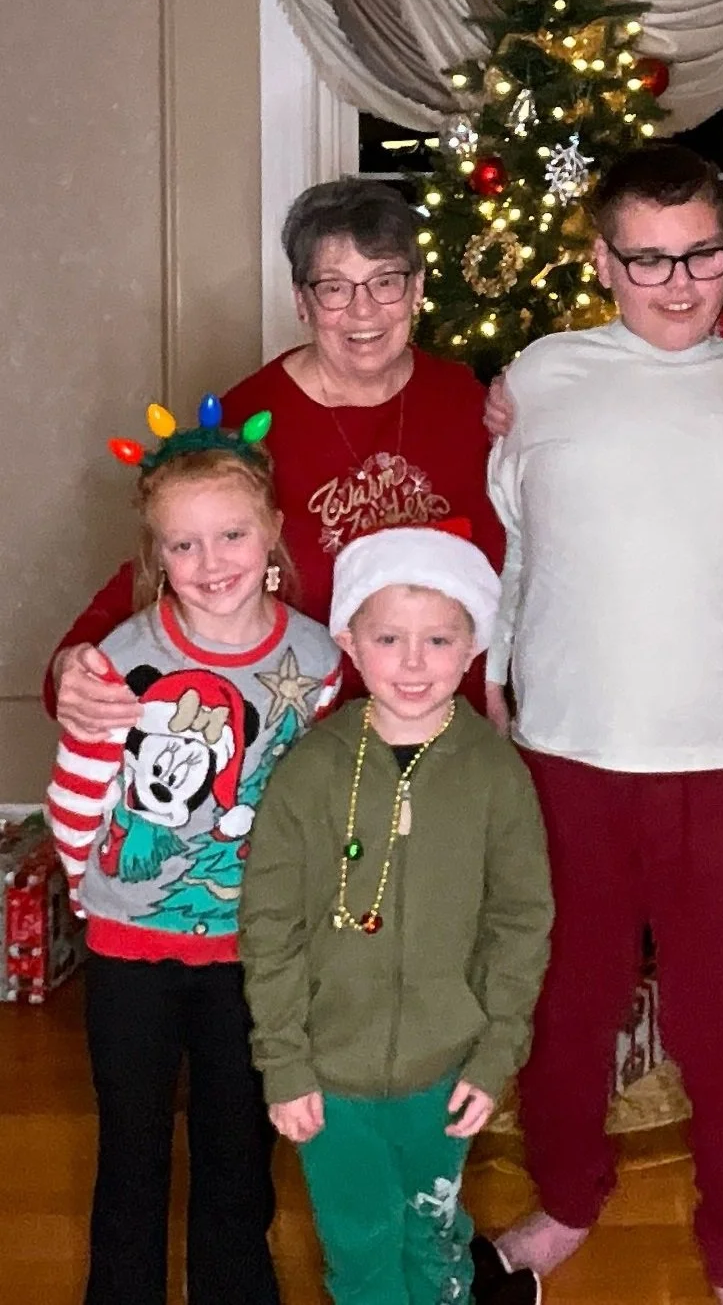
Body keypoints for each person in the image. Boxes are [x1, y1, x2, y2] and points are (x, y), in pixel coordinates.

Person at [485, 145, 723, 1305]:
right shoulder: (544, 372)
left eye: (702, 254)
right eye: (648, 260)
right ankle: (568, 1198)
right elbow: (517, 544)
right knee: (568, 993)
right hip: (569, 745)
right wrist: (497, 666)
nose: (679, 284)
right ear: (602, 259)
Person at [46, 399, 343, 1305]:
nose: (210, 565)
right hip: (130, 952)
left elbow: (323, 807)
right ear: (154, 555)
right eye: (183, 546)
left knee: (238, 1150)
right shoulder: (117, 664)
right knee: (131, 1150)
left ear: (274, 534)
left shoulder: (319, 662)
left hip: (252, 957)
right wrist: (95, 901)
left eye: (230, 536)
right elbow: (76, 801)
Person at [46, 177, 503, 742]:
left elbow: (518, 563)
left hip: (451, 737)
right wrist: (73, 663)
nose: (363, 310)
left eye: (385, 282)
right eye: (334, 288)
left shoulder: (465, 401)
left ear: (416, 289)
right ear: (303, 303)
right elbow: (173, 552)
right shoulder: (250, 420)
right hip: (301, 748)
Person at [239, 524, 553, 1305]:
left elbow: (520, 922)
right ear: (350, 640)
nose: (414, 664)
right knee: (362, 1246)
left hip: (444, 1072)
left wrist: (494, 1053)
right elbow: (269, 925)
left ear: (472, 643)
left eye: (439, 639)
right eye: (389, 638)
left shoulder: (494, 774)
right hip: (328, 1073)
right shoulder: (310, 773)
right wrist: (285, 1060)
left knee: (434, 1232)